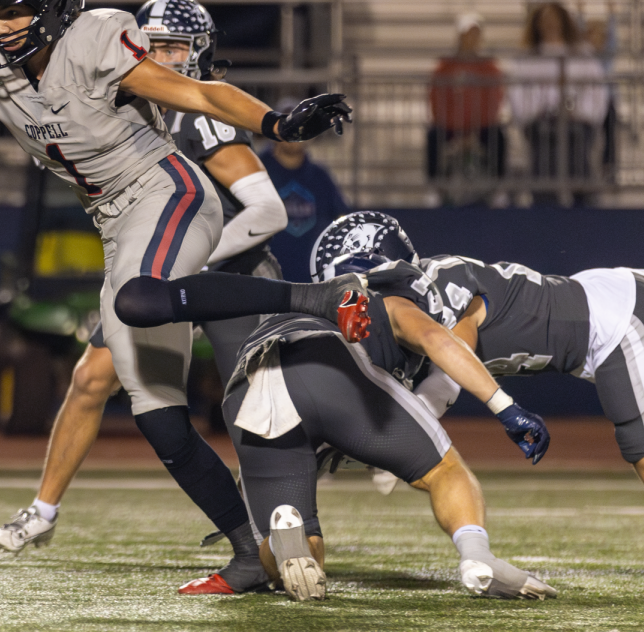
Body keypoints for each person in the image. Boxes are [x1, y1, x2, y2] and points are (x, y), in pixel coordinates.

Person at [0, 0, 361, 593]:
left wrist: (277, 124)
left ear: (55, 5)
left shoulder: (94, 38)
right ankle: (250, 552)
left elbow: (194, 93)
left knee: (138, 298)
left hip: (168, 190)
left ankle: (315, 298)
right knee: (159, 416)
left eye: (13, 13)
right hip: (112, 221)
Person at [0, 0, 288, 556]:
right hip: (159, 280)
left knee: (259, 403)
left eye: (175, 47)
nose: (162, 58)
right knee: (90, 379)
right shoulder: (121, 105)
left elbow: (268, 211)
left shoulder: (198, 114)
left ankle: (286, 515)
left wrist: (182, 265)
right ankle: (44, 510)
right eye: (155, 46)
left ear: (199, 54)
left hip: (223, 276)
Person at [330, 211, 644, 520]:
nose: (354, 306)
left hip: (612, 327)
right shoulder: (424, 291)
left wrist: (409, 434)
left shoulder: (435, 288)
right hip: (613, 301)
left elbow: (453, 359)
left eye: (355, 291)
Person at [220, 243, 555, 601]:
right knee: (445, 469)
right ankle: (477, 558)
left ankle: (289, 546)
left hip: (246, 386)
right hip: (326, 357)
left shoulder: (308, 295)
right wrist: (504, 406)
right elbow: (434, 338)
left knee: (306, 548)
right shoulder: (381, 291)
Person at [508, 1, 608, 205]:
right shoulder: (527, 59)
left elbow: (597, 90)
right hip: (541, 121)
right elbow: (518, 93)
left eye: (554, 19)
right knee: (544, 147)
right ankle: (544, 203)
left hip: (577, 121)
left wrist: (582, 112)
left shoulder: (582, 56)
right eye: (545, 20)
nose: (550, 25)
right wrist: (536, 111)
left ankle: (585, 202)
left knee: (576, 145)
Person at [426, 12, 506, 204]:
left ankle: (497, 188)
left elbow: (494, 101)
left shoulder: (489, 68)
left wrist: (474, 132)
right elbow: (437, 101)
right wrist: (458, 133)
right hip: (451, 128)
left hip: (481, 128)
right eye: (467, 34)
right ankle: (437, 187)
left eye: (475, 34)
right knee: (433, 136)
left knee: (499, 136)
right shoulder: (444, 68)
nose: (471, 39)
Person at [259, 137, 348, 283]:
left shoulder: (320, 177)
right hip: (263, 283)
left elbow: (342, 220)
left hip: (310, 284)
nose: (295, 134)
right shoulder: (256, 172)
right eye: (288, 121)